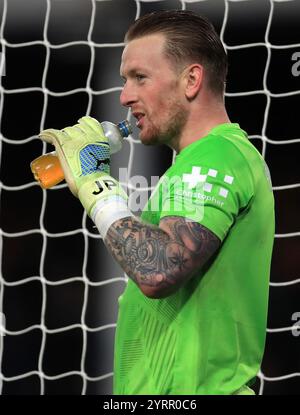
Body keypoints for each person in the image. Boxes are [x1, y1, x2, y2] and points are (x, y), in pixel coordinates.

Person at [39, 10, 275, 395]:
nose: (124, 96)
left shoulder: (216, 157)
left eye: (140, 78)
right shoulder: (196, 163)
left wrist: (95, 184)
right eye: (125, 80)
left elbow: (159, 270)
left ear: (192, 80)